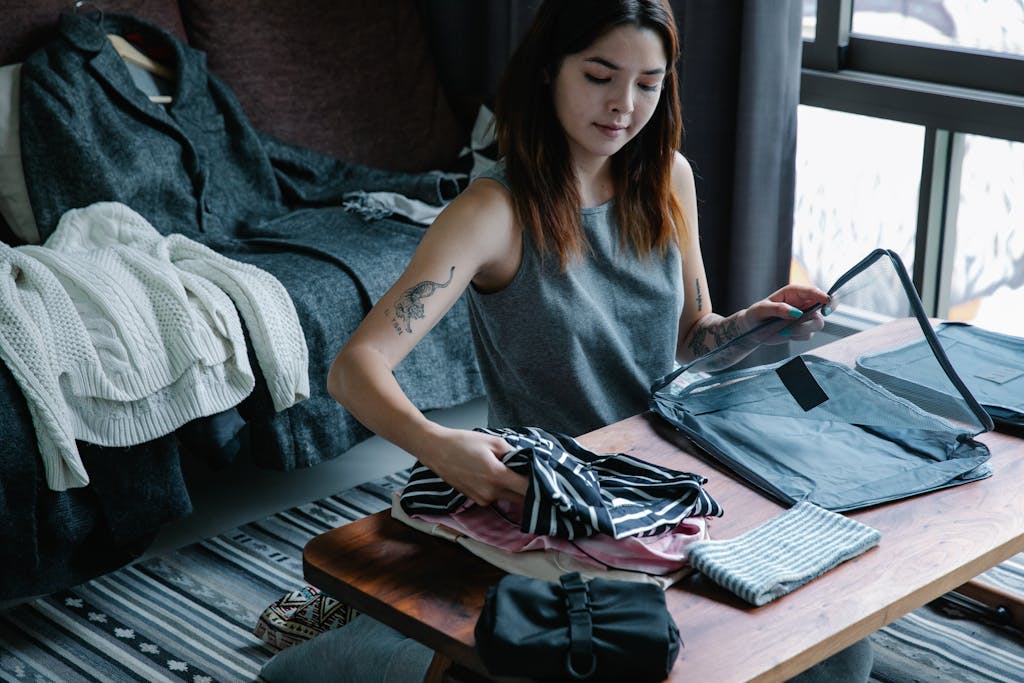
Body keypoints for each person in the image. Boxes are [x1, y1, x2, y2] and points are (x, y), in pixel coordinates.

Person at [262, 1, 871, 682]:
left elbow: (694, 336)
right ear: (550, 71)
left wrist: (747, 328)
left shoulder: (669, 178)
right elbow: (354, 368)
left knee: (841, 649)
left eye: (648, 83)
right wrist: (442, 447)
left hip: (660, 482)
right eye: (600, 76)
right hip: (548, 502)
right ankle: (362, 621)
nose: (623, 106)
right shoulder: (492, 213)